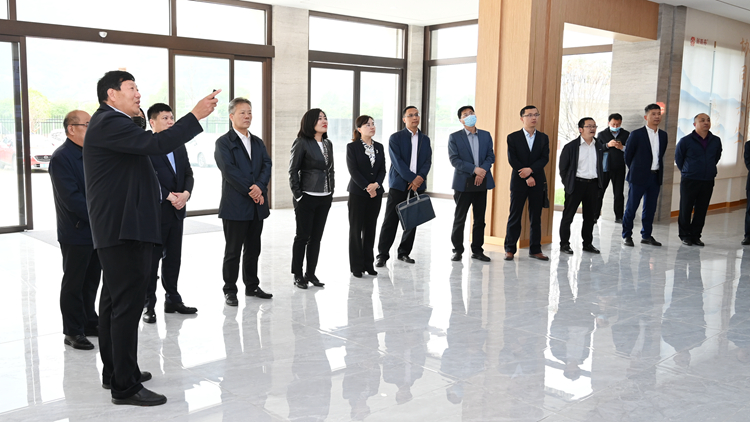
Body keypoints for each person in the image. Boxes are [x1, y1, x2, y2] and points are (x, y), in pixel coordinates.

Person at [84, 70, 218, 406]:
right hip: (123, 230)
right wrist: (195, 116)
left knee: (115, 303)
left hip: (120, 228)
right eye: (131, 88)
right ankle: (125, 386)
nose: (138, 94)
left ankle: (117, 371)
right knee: (126, 307)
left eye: (138, 88)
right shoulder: (110, 121)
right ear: (111, 94)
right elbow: (156, 143)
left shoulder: (113, 123)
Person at [142, 103, 198, 324]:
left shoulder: (178, 146)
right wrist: (168, 196)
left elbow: (188, 173)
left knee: (173, 259)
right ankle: (148, 304)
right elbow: (147, 179)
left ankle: (172, 299)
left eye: (172, 118)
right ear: (152, 122)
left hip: (177, 212)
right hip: (156, 213)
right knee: (152, 262)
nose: (170, 122)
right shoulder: (147, 146)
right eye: (165, 118)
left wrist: (186, 194)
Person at [49, 109, 100, 351]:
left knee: (91, 281)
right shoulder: (62, 157)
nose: (92, 129)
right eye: (87, 124)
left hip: (96, 229)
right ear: (71, 129)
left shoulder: (90, 153)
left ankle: (89, 322)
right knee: (74, 283)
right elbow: (72, 199)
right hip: (76, 230)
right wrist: (101, 216)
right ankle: (72, 331)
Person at [215, 97, 273, 305]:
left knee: (253, 249)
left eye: (249, 112)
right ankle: (230, 289)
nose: (247, 116)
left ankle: (252, 285)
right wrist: (253, 189)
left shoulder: (257, 142)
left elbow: (267, 164)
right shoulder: (223, 142)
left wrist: (260, 186)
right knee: (233, 251)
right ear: (231, 116)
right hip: (235, 205)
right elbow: (229, 171)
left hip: (256, 206)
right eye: (242, 112)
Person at [375, 106, 432, 267]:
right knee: (390, 221)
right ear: (404, 119)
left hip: (417, 185)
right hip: (399, 184)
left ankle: (404, 253)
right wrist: (412, 178)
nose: (415, 117)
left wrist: (419, 178)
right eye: (411, 115)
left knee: (412, 221)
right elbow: (397, 162)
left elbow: (427, 161)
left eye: (417, 114)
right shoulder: (396, 138)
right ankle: (382, 255)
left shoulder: (425, 139)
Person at [289, 108, 334, 289]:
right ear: (310, 122)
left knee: (316, 238)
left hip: (325, 197)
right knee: (302, 237)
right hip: (306, 196)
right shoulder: (302, 142)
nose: (324, 121)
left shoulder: (328, 143)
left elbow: (330, 170)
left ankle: (311, 273)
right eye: (319, 118)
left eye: (325, 117)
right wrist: (298, 195)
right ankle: (298, 274)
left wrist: (331, 191)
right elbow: (293, 170)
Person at [448, 105, 495, 262]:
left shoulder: (486, 135)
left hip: (482, 182)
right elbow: (455, 160)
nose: (469, 116)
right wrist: (475, 170)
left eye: (471, 113)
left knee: (480, 219)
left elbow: (490, 156)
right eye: (465, 115)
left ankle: (477, 250)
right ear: (461, 120)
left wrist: (482, 171)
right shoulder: (454, 137)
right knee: (460, 218)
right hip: (463, 183)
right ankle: (457, 250)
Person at [504, 105, 550, 261]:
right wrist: (526, 176)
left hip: (537, 181)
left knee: (536, 217)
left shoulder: (543, 138)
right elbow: (513, 160)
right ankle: (509, 249)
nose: (533, 117)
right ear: (522, 118)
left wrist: (530, 170)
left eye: (536, 114)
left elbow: (544, 158)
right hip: (519, 181)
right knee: (515, 215)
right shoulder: (513, 137)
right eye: (529, 115)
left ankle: (535, 249)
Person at [621, 103, 668, 247]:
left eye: (659, 114)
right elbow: (628, 155)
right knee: (631, 207)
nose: (657, 116)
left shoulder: (663, 135)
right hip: (638, 177)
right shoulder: (636, 134)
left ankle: (646, 235)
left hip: (655, 176)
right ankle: (627, 235)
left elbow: (660, 155)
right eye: (653, 114)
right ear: (646, 117)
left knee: (650, 208)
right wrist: (636, 169)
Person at [346, 115, 386, 278]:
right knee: (356, 230)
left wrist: (376, 185)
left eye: (373, 124)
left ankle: (368, 264)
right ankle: (356, 266)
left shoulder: (379, 147)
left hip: (376, 194)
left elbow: (382, 169)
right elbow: (353, 170)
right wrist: (367, 187)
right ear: (359, 129)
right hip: (358, 193)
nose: (372, 127)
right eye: (367, 124)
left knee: (370, 229)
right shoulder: (352, 147)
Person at [558, 117, 605, 255]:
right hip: (576, 185)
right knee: (568, 216)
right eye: (589, 126)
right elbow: (563, 169)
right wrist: (568, 184)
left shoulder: (599, 145)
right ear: (580, 129)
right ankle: (564, 244)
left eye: (594, 126)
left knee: (590, 217)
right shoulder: (571, 147)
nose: (592, 129)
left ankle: (587, 244)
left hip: (593, 185)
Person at [675, 113, 722, 246]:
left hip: (707, 179)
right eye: (702, 120)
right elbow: (679, 159)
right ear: (695, 124)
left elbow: (716, 157)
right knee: (686, 208)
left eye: (708, 120)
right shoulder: (685, 141)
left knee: (702, 209)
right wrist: (688, 170)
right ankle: (685, 235)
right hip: (690, 179)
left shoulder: (716, 140)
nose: (706, 122)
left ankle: (696, 235)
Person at [596, 113, 629, 223]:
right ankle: (595, 216)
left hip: (619, 167)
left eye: (618, 124)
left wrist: (622, 147)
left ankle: (619, 217)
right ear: (608, 123)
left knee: (618, 194)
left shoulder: (626, 134)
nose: (615, 126)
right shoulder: (602, 134)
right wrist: (607, 145)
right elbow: (597, 149)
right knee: (599, 192)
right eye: (613, 124)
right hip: (604, 168)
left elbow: (630, 150)